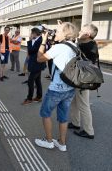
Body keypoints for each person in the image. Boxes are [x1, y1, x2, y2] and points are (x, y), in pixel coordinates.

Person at [35, 22, 78, 152]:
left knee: (45, 113)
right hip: (70, 88)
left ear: (65, 34)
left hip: (56, 89)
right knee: (63, 117)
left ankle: (49, 141)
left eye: (58, 31)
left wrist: (43, 41)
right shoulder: (75, 47)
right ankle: (62, 143)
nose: (55, 33)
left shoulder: (59, 47)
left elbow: (40, 58)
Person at [68, 24, 99, 139]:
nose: (79, 32)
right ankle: (76, 123)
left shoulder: (90, 47)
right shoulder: (84, 44)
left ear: (87, 35)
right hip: (79, 78)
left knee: (84, 105)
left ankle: (88, 131)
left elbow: (89, 65)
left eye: (81, 31)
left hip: (84, 80)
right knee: (75, 102)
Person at [22, 28, 46, 105]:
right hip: (37, 64)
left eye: (31, 33)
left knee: (30, 81)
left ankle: (29, 99)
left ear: (34, 33)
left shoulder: (39, 40)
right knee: (37, 81)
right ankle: (39, 96)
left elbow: (31, 50)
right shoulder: (39, 39)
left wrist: (30, 40)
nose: (30, 35)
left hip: (36, 64)